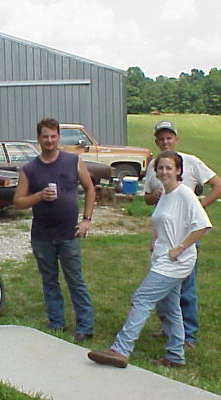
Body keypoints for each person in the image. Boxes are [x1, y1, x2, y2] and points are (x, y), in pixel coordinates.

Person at [88, 151, 212, 368]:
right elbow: (161, 221)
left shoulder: (184, 194)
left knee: (141, 299)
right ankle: (175, 355)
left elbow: (203, 225)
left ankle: (120, 349)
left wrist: (180, 248)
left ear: (178, 171)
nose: (164, 172)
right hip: (162, 257)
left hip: (176, 262)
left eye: (169, 168)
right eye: (160, 168)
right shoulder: (164, 194)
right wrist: (154, 238)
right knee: (170, 308)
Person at [144, 120, 221, 349]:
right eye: (161, 139)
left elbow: (220, 185)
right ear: (156, 142)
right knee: (164, 285)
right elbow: (147, 198)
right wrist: (155, 196)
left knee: (186, 287)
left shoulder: (190, 162)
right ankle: (169, 329)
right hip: (163, 234)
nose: (165, 142)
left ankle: (188, 335)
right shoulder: (154, 166)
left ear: (176, 139)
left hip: (185, 235)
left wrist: (198, 208)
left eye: (169, 138)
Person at [13, 117, 96, 343]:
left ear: (59, 137)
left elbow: (90, 189)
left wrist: (87, 219)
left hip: (69, 233)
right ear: (38, 139)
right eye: (45, 136)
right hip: (42, 235)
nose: (49, 140)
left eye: (53, 136)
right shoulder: (29, 169)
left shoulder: (73, 161)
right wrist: (39, 196)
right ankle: (56, 323)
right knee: (49, 280)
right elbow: (18, 202)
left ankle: (85, 327)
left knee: (75, 280)